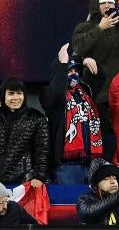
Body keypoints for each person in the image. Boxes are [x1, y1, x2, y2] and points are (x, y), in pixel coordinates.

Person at [39, 45, 104, 185]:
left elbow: (101, 78)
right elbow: (56, 92)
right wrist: (62, 66)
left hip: (91, 163)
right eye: (69, 71)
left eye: (76, 71)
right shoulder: (48, 93)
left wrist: (87, 61)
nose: (73, 74)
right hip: (67, 166)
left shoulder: (86, 91)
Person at [0, 78, 49, 187]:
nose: (16, 98)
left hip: (23, 181)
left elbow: (42, 151)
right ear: (3, 95)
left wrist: (39, 176)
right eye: (11, 93)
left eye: (19, 93)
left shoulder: (36, 118)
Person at [76, 160, 119, 226]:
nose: (113, 182)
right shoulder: (84, 200)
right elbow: (88, 212)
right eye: (106, 179)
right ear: (96, 185)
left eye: (115, 178)